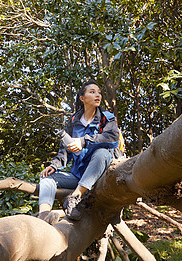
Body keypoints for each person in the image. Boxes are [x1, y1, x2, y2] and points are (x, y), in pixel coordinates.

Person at [38, 79, 122, 223]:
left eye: (99, 93)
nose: (98, 95)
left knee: (102, 153)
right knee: (47, 178)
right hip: (78, 176)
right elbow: (65, 151)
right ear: (82, 98)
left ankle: (75, 197)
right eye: (92, 92)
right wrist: (54, 165)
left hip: (100, 176)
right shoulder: (73, 121)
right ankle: (43, 217)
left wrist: (83, 141)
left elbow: (113, 138)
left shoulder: (106, 118)